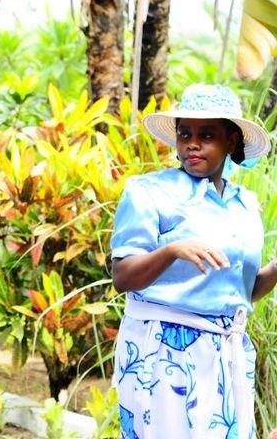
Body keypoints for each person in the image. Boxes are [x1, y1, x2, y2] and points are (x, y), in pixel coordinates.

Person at [111, 84, 277, 439]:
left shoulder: (244, 203)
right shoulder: (149, 192)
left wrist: (276, 269)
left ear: (232, 141)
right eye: (184, 134)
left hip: (224, 351)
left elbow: (241, 292)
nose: (192, 144)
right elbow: (122, 277)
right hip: (161, 350)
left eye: (207, 135)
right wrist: (172, 250)